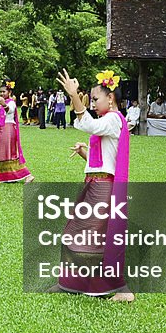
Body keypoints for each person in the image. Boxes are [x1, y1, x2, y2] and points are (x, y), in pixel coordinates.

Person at [55, 68, 134, 302]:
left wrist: (73, 95)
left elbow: (88, 124)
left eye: (96, 98)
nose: (93, 103)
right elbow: (103, 161)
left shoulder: (112, 119)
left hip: (101, 188)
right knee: (92, 236)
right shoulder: (109, 121)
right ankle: (73, 284)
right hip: (96, 183)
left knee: (79, 234)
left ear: (110, 98)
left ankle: (119, 289)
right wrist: (84, 153)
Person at [0, 80, 34, 184]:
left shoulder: (10, 102)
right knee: (3, 152)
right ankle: (8, 176)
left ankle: (28, 175)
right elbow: (3, 117)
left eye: (4, 92)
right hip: (2, 129)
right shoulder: (2, 104)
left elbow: (9, 110)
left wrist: (3, 105)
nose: (2, 94)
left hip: (8, 130)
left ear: (9, 92)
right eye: (0, 92)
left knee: (10, 153)